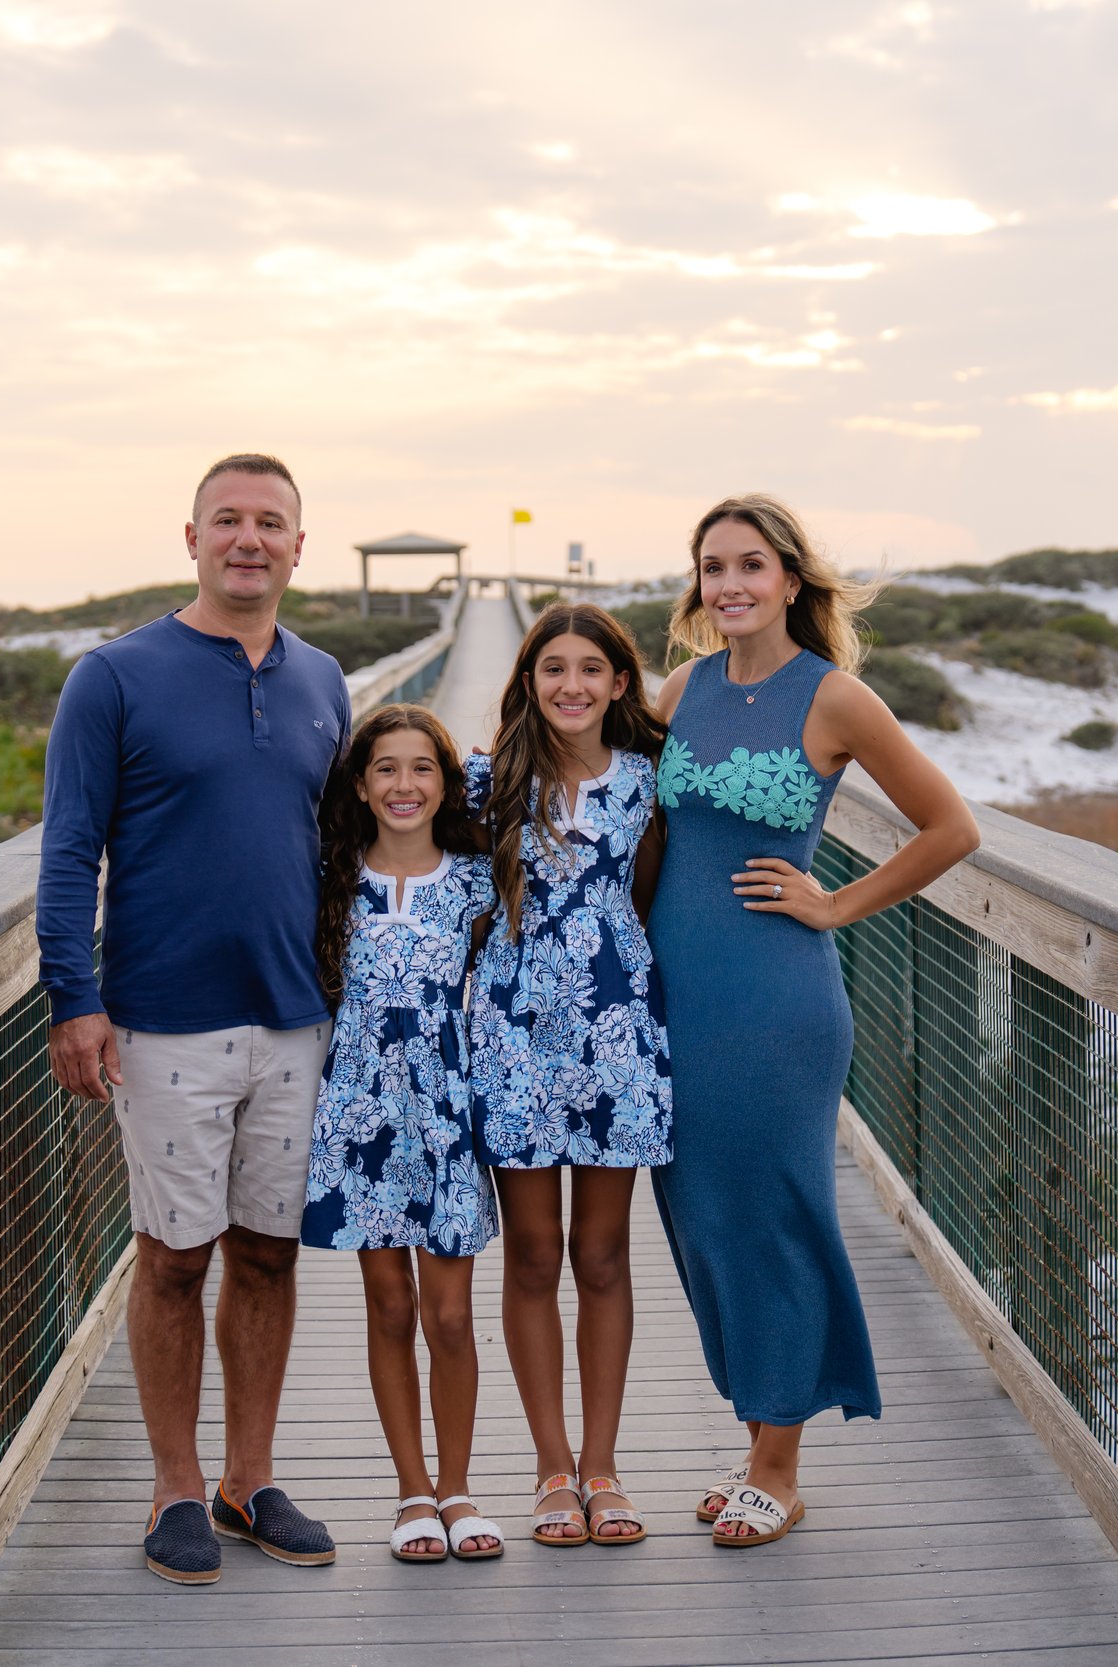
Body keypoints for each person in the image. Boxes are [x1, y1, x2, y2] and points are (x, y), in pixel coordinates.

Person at [37, 453, 347, 1586]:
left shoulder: (323, 677)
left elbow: (344, 839)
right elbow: (70, 846)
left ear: (299, 546)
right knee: (173, 1256)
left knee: (268, 1251)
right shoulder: (113, 676)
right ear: (192, 537)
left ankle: (247, 1477)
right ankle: (173, 1487)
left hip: (295, 1017)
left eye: (272, 522)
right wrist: (73, 995)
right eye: (230, 520)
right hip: (163, 1018)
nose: (249, 538)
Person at [648, 493, 980, 1549]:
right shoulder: (681, 688)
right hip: (670, 994)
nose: (730, 584)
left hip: (772, 999)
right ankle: (758, 1446)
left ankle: (779, 1469)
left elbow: (951, 826)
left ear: (792, 579)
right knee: (701, 1220)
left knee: (773, 1211)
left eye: (751, 564)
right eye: (713, 567)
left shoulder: (835, 698)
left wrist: (832, 900)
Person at [465, 603, 671, 1548]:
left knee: (602, 1255)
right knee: (534, 1254)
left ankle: (605, 1465)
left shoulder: (650, 782)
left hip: (617, 1034)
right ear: (529, 681)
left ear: (621, 683)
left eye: (593, 669)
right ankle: (551, 1468)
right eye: (554, 669)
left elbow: (657, 893)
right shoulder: (489, 782)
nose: (573, 686)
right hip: (511, 1038)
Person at [301, 704, 506, 1564]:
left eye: (424, 768)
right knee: (389, 1306)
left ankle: (458, 1487)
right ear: (359, 783)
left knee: (450, 1314)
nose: (404, 785)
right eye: (385, 768)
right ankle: (412, 1490)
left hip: (446, 1110)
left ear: (447, 782)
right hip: (360, 1114)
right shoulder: (330, 881)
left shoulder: (477, 880)